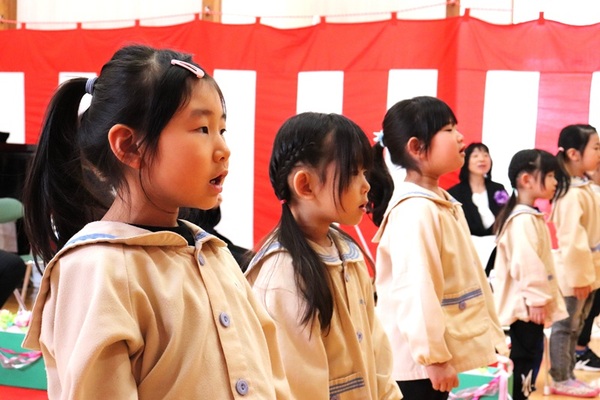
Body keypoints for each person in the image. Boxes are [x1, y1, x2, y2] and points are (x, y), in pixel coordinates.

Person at [21, 44, 291, 399]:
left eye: (222, 129)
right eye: (202, 128)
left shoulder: (217, 256)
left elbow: (269, 375)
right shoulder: (96, 270)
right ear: (129, 146)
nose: (223, 149)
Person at [245, 112, 402, 399]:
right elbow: (296, 389)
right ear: (305, 185)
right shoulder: (283, 275)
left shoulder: (348, 254)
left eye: (364, 172)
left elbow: (377, 351)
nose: (366, 185)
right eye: (353, 172)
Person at [367, 96, 507, 400]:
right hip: (419, 367)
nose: (460, 137)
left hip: (435, 359)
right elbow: (415, 288)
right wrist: (434, 358)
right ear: (416, 147)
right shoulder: (415, 210)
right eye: (448, 129)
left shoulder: (439, 202)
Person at [492, 149, 568, 400]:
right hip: (525, 308)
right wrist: (536, 300)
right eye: (550, 175)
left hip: (528, 306)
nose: (555, 181)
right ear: (526, 179)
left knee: (531, 357)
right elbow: (526, 264)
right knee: (525, 359)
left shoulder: (527, 216)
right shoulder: (522, 220)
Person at [548, 123, 600, 397]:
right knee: (565, 326)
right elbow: (572, 240)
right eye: (596, 147)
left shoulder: (584, 187)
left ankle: (568, 374)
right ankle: (560, 377)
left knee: (576, 326)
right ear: (573, 153)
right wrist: (580, 278)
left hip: (588, 273)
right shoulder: (569, 192)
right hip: (574, 275)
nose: (599, 153)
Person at [447, 143, 508, 276]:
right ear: (466, 161)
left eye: (485, 155)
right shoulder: (454, 193)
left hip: (497, 251)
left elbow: (506, 216)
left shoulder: (498, 189)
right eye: (475, 156)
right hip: (467, 251)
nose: (482, 159)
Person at [180, 195, 253, 271]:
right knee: (248, 263)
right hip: (195, 244)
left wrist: (212, 208)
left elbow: (209, 224)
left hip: (208, 238)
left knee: (252, 259)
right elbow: (187, 224)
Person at [575, 161, 600, 372]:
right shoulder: (583, 192)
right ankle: (579, 350)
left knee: (593, 306)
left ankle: (580, 348)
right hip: (588, 263)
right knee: (586, 309)